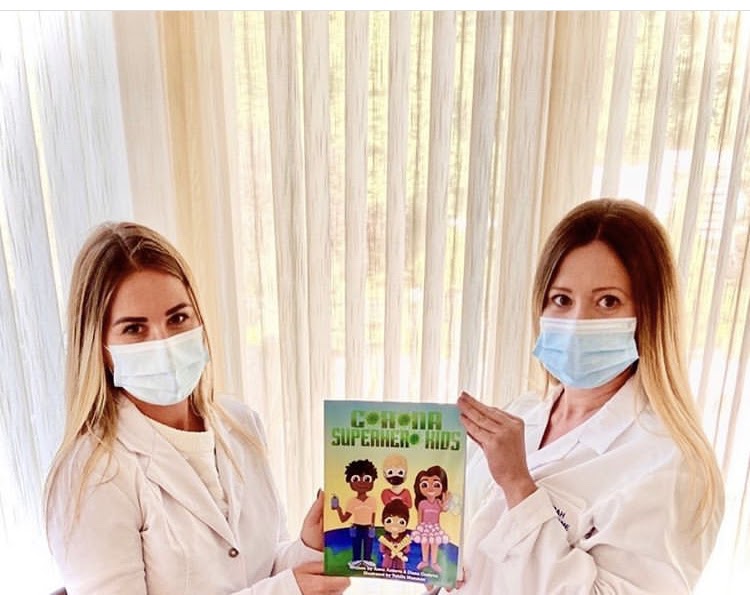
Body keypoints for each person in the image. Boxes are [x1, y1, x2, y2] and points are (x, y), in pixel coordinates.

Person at [43, 222, 350, 595]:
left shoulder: (241, 424)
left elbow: (259, 566)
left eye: (178, 318)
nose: (166, 342)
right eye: (134, 329)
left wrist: (307, 547)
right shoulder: (91, 476)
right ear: (99, 348)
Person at [454, 198, 724, 593]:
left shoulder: (673, 465)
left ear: (648, 315)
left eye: (607, 301)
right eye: (562, 299)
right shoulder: (522, 415)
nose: (579, 321)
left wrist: (519, 486)